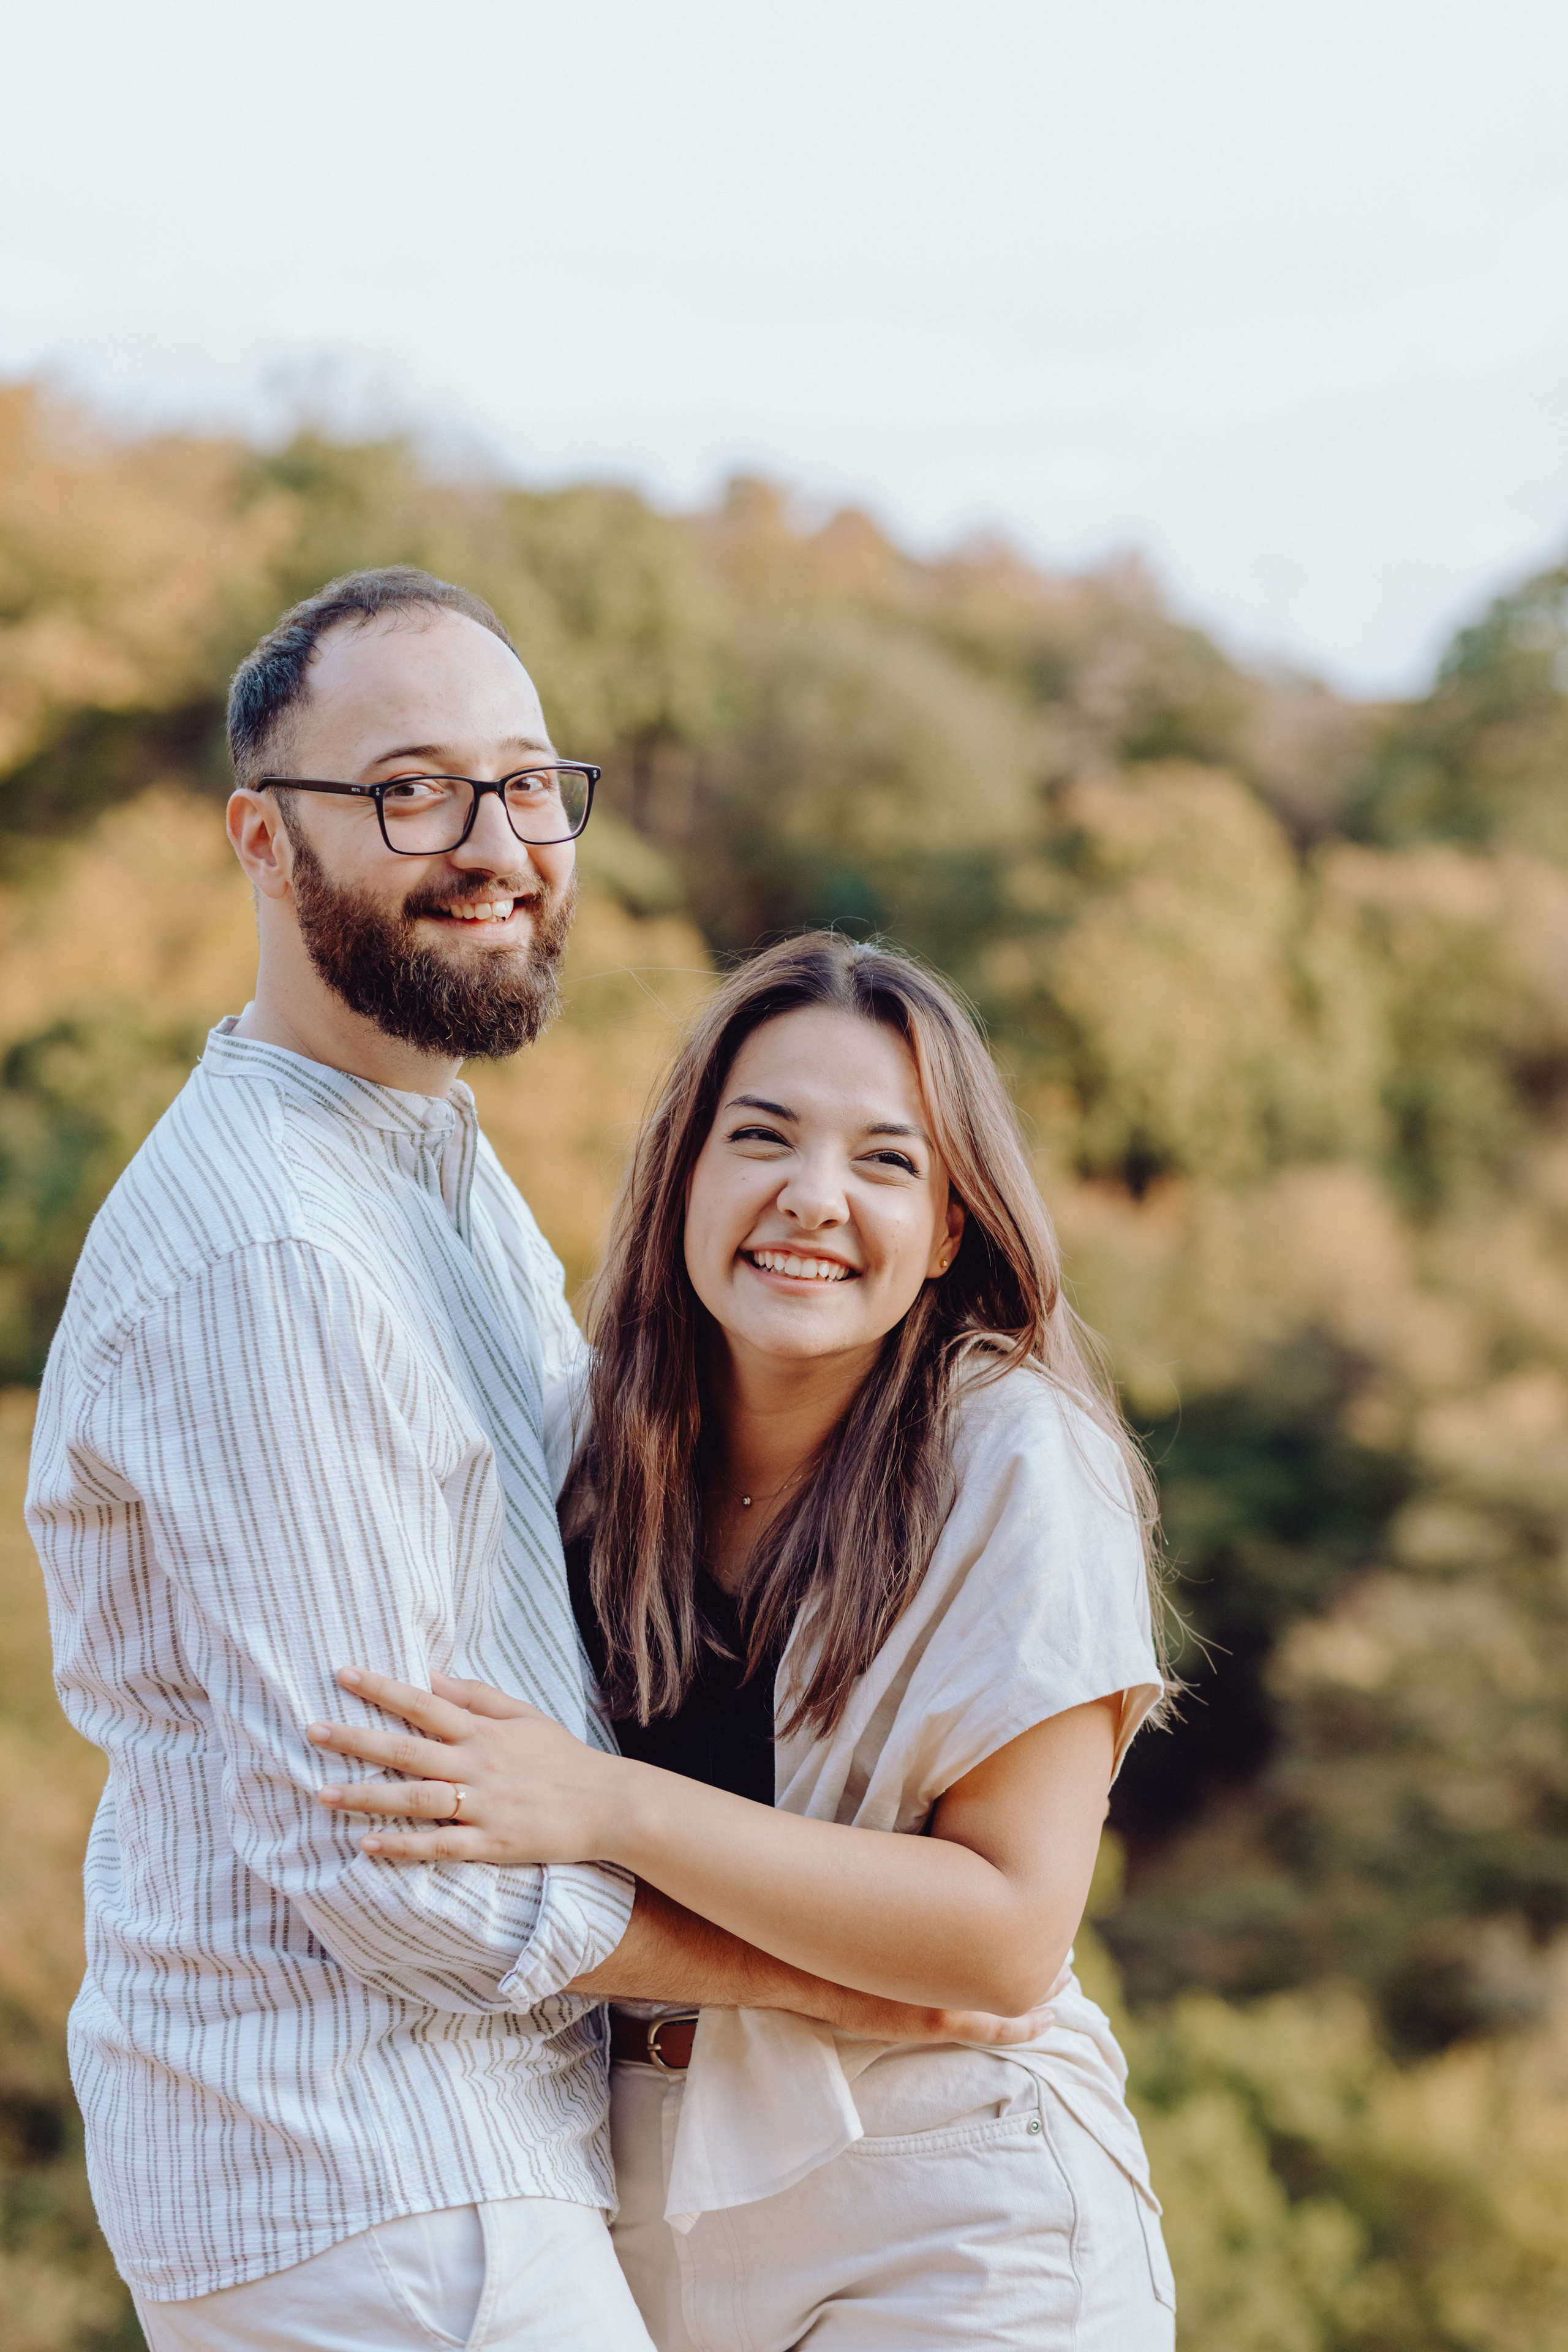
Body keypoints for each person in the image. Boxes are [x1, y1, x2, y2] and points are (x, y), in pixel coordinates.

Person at [26, 575, 1021, 2352]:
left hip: (468, 2168)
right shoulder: (276, 1256)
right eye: (412, 790)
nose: (497, 846)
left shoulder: (435, 1168)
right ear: (262, 839)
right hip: (373, 2180)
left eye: (528, 786)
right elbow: (402, 1876)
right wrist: (833, 1984)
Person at [309, 931, 1178, 2350]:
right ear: (684, 1178)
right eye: (761, 1137)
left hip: (950, 2204)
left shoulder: (1015, 1456)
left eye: (885, 1161)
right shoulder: (575, 1447)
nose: (812, 1197)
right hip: (623, 2191)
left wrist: (611, 1806)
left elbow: (1009, 1935)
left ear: (947, 1230)